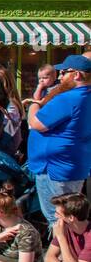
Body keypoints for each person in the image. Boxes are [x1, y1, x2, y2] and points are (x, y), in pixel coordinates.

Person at [26, 55, 91, 226]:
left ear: (76, 75)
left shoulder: (69, 98)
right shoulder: (84, 96)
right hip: (71, 165)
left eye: (63, 72)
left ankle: (62, 252)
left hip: (55, 168)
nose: (60, 77)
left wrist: (34, 104)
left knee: (59, 220)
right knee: (69, 217)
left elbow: (37, 123)